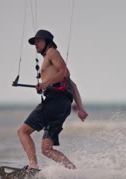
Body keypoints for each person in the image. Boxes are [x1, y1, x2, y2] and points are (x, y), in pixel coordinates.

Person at [17, 29, 88, 171]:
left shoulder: (52, 53)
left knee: (23, 132)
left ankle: (33, 165)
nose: (35, 44)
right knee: (47, 149)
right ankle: (74, 171)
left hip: (55, 102)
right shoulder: (49, 59)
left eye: (38, 41)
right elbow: (71, 85)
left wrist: (46, 84)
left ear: (47, 42)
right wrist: (80, 108)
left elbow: (64, 73)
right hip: (62, 105)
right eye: (34, 42)